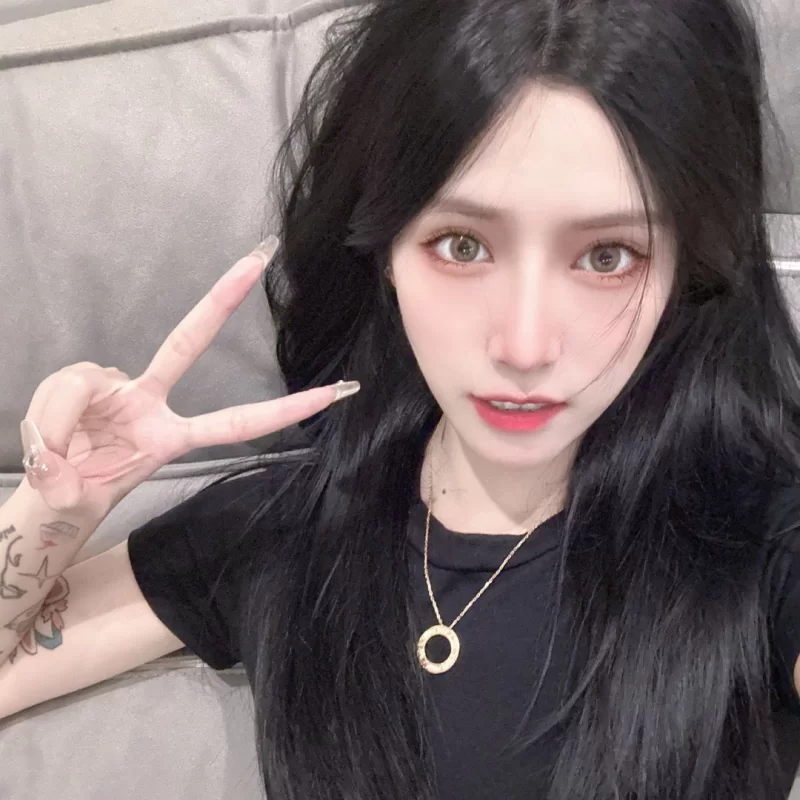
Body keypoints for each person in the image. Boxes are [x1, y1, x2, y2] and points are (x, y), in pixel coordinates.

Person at [1, 0, 798, 797]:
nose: (524, 346)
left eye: (607, 256)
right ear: (385, 252)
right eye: (463, 245)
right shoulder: (282, 530)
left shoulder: (759, 532)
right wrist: (57, 504)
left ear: (685, 268)